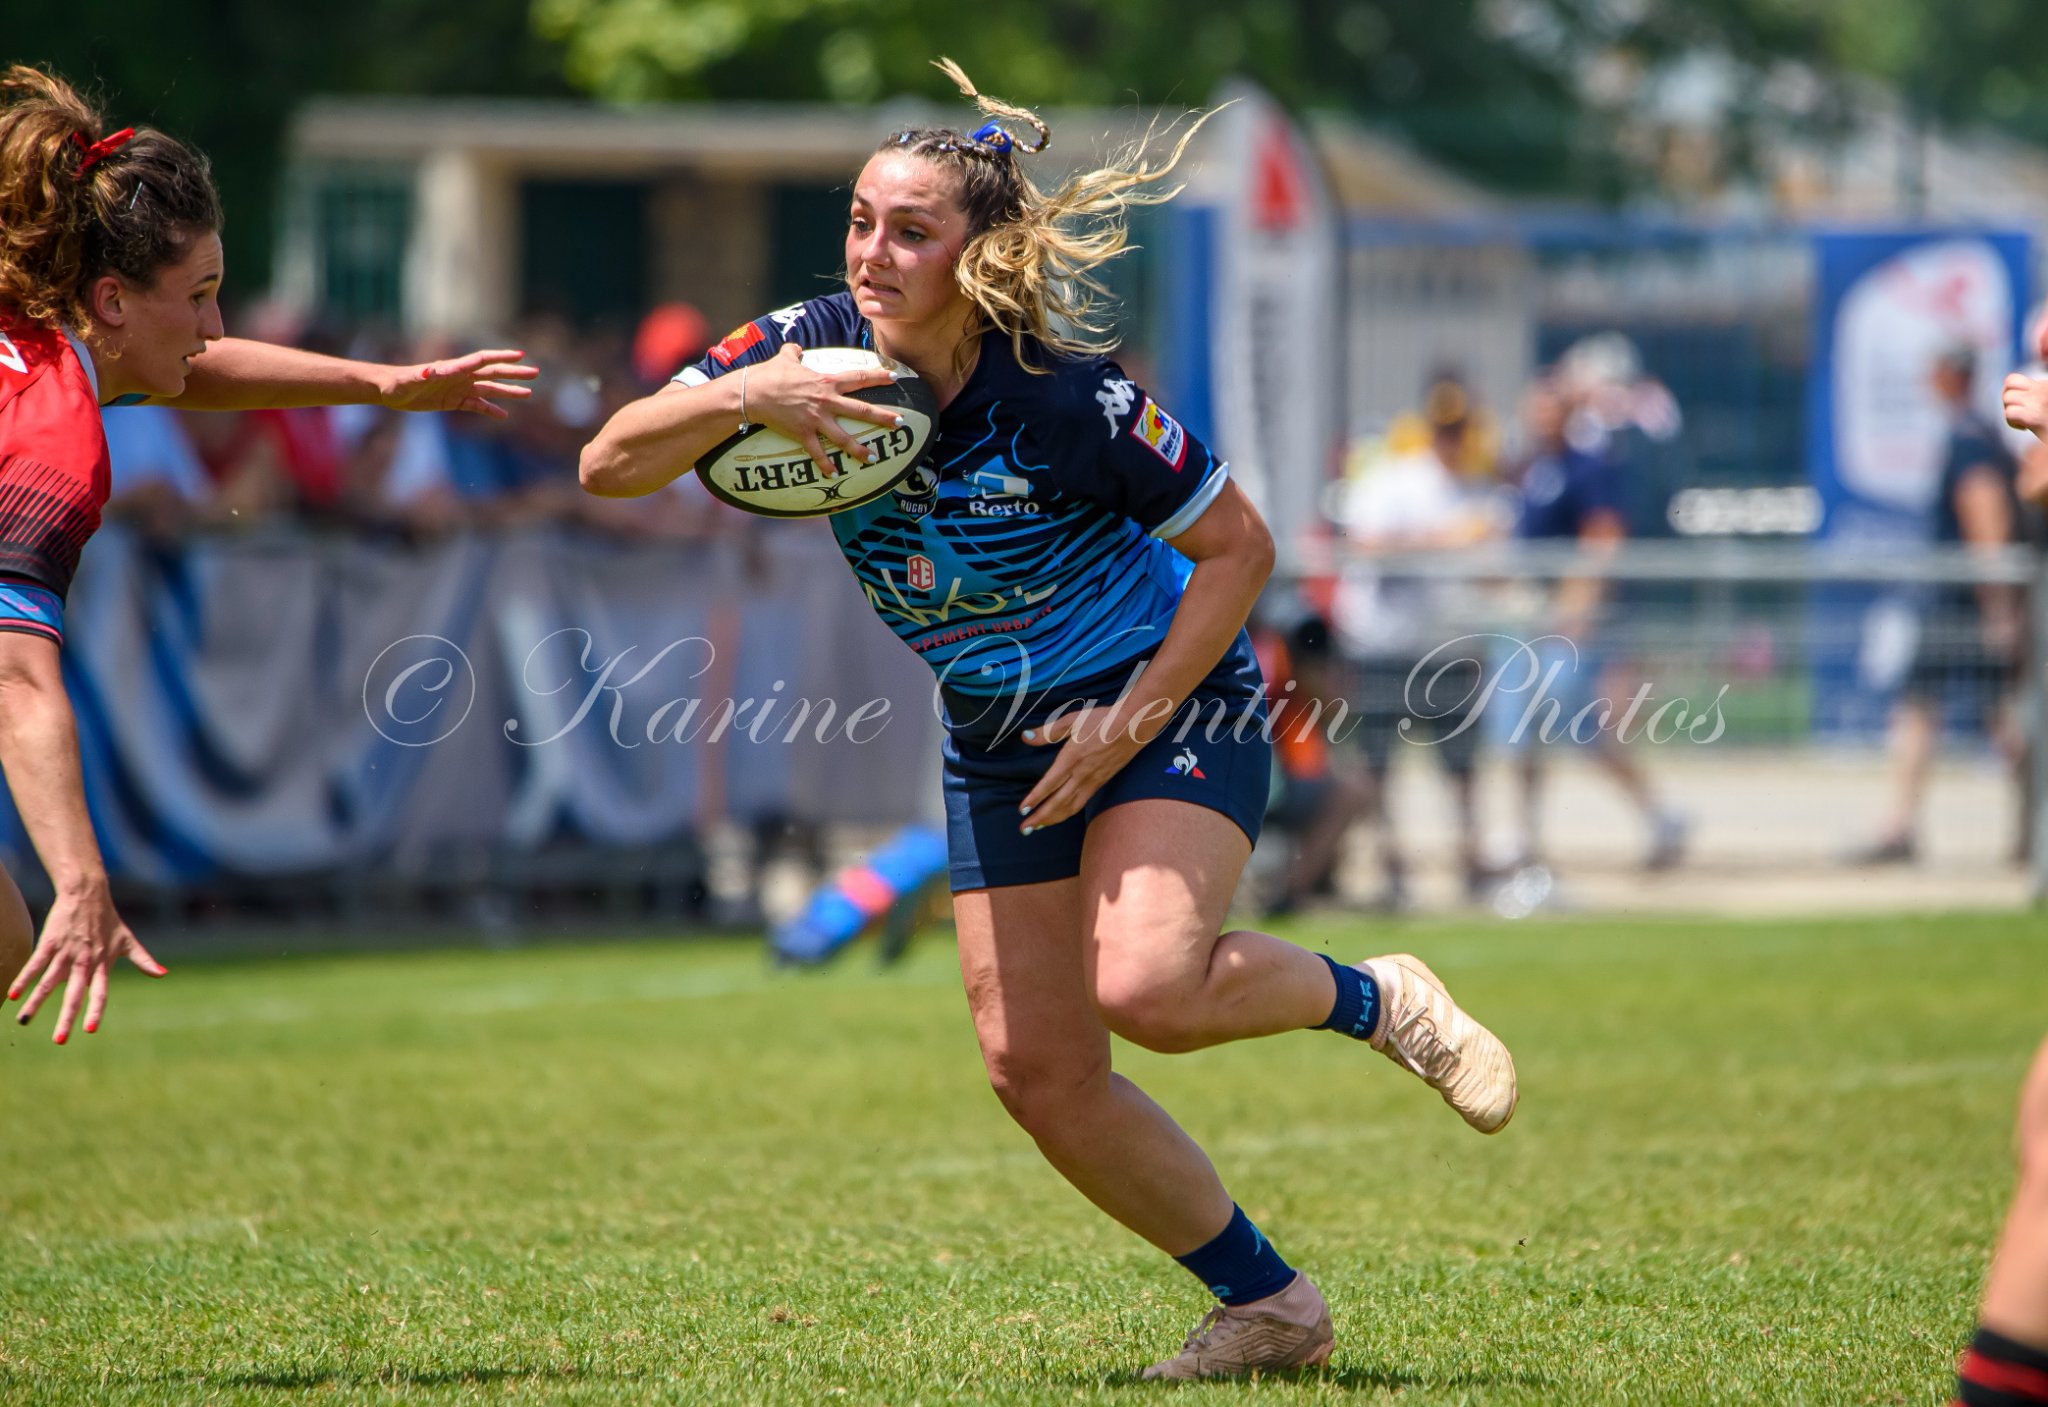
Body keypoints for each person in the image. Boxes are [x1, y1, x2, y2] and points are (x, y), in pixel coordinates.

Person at [579, 60, 1517, 1380]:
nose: (872, 253)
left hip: (1168, 698)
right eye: (860, 220)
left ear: (982, 251)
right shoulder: (796, 347)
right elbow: (609, 461)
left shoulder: (1068, 398)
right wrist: (743, 397)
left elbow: (1241, 549)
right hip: (995, 732)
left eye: (910, 230)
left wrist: (1125, 723)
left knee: (1149, 988)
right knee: (1038, 1068)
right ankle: (1270, 1304)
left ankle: (1380, 1000)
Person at [0, 65, 535, 1043]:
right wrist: (81, 881)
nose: (214, 325)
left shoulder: (36, 330)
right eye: (200, 296)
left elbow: (191, 373)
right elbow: (18, 682)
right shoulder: (53, 438)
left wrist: (385, 384)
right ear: (113, 300)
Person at [1331, 377, 1510, 906]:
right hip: (1386, 643)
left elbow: (1495, 567)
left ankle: (1469, 861)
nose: (1450, 439)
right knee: (1378, 762)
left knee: (1462, 765)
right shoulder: (1395, 480)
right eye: (1444, 429)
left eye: (1458, 429)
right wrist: (1445, 542)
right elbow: (1364, 543)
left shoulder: (1481, 489)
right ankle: (1392, 865)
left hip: (1450, 644)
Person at [1852, 345, 2026, 865]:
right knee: (1928, 709)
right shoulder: (1980, 432)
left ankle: (2030, 832)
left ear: (1950, 375)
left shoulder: (1970, 437)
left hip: (1965, 604)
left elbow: (1985, 515)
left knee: (1997, 720)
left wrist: (1998, 605)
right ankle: (1902, 827)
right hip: (1962, 601)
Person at [1508, 374, 1688, 871]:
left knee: (1580, 731)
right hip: (1538, 621)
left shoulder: (1587, 467)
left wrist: (1576, 609)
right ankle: (1525, 836)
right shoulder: (1533, 470)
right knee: (1529, 733)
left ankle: (1660, 815)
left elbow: (1603, 539)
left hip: (1572, 626)